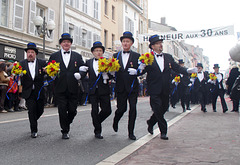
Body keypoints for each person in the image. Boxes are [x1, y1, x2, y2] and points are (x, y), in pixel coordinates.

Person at [143, 34, 196, 140]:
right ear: (152, 46)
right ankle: (163, 131)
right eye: (157, 44)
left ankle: (151, 121)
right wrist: (139, 69)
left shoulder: (168, 57)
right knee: (157, 108)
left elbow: (177, 68)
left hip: (165, 88)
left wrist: (187, 71)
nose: (160, 45)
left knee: (163, 108)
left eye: (161, 43)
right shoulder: (148, 58)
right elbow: (141, 71)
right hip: (154, 89)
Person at [48, 33, 84, 139]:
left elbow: (83, 68)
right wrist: (52, 75)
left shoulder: (77, 56)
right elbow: (49, 71)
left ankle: (67, 123)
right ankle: (64, 130)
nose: (66, 44)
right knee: (62, 109)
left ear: (71, 43)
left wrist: (80, 75)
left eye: (68, 42)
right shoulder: (54, 56)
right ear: (61, 44)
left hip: (73, 87)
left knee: (73, 110)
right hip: (60, 87)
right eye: (64, 42)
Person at [80, 41, 112, 139]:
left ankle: (97, 121)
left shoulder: (107, 61)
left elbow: (113, 75)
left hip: (104, 89)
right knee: (94, 110)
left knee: (107, 110)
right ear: (93, 52)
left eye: (100, 51)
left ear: (102, 52)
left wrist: (107, 75)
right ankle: (97, 131)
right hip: (93, 89)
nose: (98, 52)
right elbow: (84, 73)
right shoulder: (88, 62)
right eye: (96, 51)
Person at [112, 31, 141, 140]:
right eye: (123, 41)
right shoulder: (116, 55)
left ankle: (131, 132)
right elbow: (112, 71)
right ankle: (116, 120)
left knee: (133, 109)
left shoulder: (137, 56)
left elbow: (142, 69)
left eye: (127, 41)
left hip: (132, 87)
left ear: (131, 43)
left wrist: (137, 72)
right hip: (120, 87)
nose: (125, 43)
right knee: (121, 109)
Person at [20, 42, 47, 138]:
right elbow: (15, 73)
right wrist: (17, 74)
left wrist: (47, 71)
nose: (30, 54)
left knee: (40, 110)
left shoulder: (42, 62)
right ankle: (34, 130)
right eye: (28, 52)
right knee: (31, 110)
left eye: (32, 52)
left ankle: (33, 120)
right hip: (28, 92)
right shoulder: (21, 63)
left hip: (39, 91)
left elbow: (49, 73)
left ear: (35, 54)